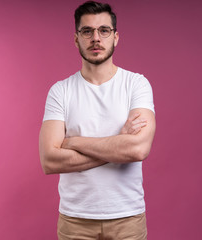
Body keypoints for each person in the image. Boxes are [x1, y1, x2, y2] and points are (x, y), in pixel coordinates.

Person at [39, 1, 156, 239]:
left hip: (127, 218)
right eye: (87, 31)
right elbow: (49, 160)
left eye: (104, 30)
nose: (96, 38)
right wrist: (118, 144)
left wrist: (72, 142)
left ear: (115, 37)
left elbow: (137, 149)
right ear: (76, 39)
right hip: (75, 221)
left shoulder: (136, 84)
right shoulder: (60, 91)